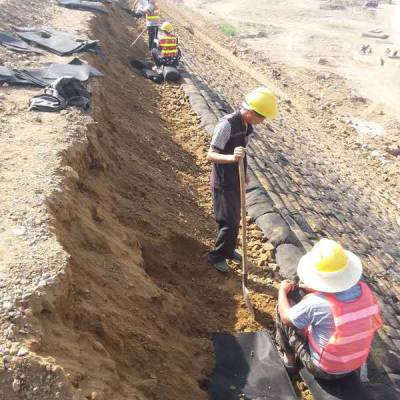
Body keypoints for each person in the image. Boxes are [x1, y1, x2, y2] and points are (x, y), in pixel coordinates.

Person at [275, 238, 383, 380]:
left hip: (325, 370)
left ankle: (289, 361)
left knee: (282, 307)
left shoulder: (316, 303)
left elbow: (286, 317)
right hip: (355, 364)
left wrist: (282, 291)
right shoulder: (366, 291)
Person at [207, 87, 278, 273]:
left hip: (236, 178)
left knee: (236, 218)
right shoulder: (227, 125)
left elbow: (242, 153)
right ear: (250, 112)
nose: (263, 121)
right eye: (261, 117)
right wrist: (232, 158)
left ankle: (229, 250)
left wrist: (244, 172)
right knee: (228, 222)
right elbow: (211, 155)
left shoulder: (247, 127)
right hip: (223, 182)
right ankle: (217, 256)